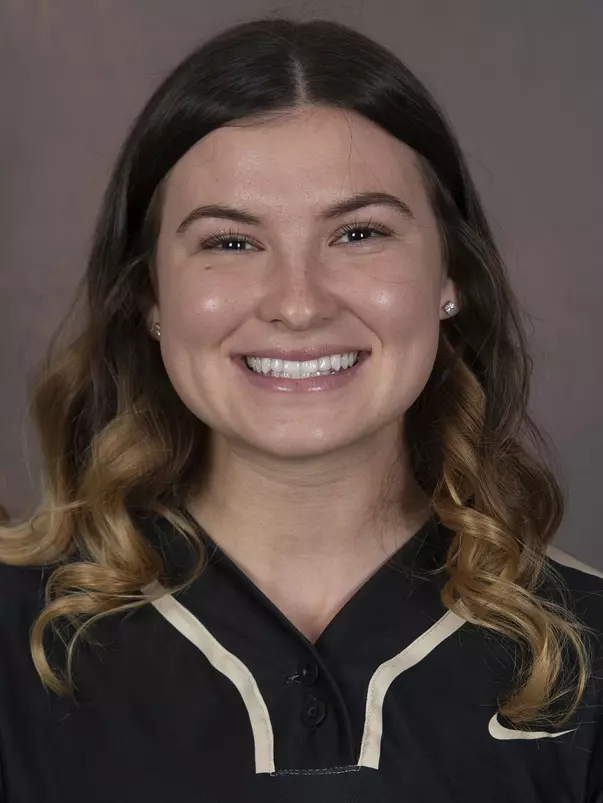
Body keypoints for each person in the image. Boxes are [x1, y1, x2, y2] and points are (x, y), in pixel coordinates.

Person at [0, 15, 601, 803]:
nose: (297, 303)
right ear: (149, 296)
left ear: (449, 276)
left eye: (357, 232)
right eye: (231, 243)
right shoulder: (18, 638)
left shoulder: (583, 647)